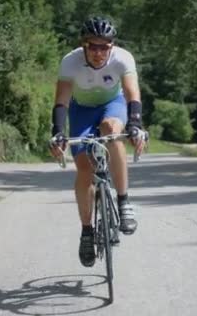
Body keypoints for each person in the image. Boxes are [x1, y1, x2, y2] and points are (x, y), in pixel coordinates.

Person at [49, 16, 146, 268]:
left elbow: (132, 94)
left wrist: (135, 125)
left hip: (112, 104)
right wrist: (58, 132)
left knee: (111, 130)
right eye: (93, 46)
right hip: (80, 111)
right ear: (84, 45)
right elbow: (62, 101)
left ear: (112, 46)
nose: (99, 52)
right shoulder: (70, 62)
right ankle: (86, 231)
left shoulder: (123, 58)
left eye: (104, 47)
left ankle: (123, 202)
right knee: (84, 168)